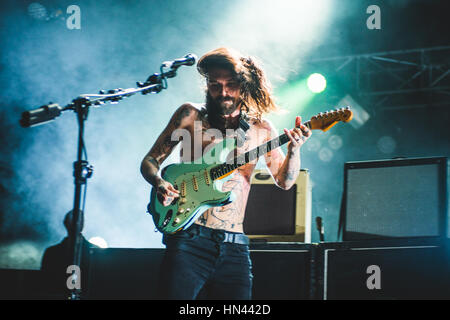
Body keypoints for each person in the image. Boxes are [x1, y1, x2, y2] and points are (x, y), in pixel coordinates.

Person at [140, 47, 311, 300]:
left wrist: (294, 150)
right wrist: (160, 182)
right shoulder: (189, 115)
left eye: (230, 85)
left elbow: (285, 182)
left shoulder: (261, 128)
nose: (223, 92)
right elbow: (151, 160)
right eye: (214, 85)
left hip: (235, 247)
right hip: (189, 239)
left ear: (244, 85)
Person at [40, 210, 98, 298]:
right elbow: (45, 282)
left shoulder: (95, 252)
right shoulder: (52, 252)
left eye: (79, 220)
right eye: (73, 220)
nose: (76, 223)